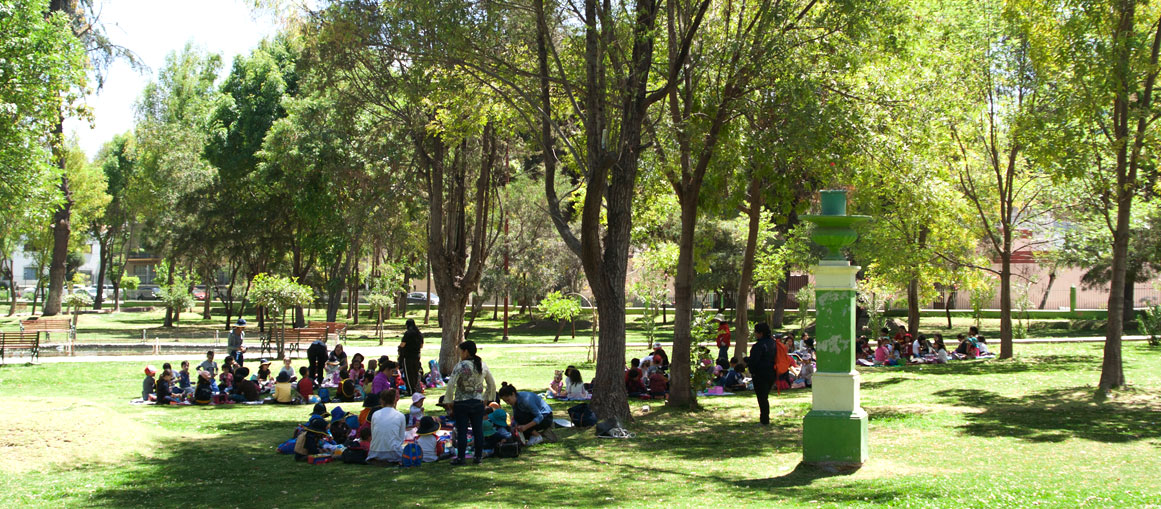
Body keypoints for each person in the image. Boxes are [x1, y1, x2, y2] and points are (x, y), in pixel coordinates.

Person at [445, 340, 496, 466]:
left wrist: (449, 400)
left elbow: (451, 384)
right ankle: (478, 456)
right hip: (478, 402)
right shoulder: (482, 365)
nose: (460, 354)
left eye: (461, 351)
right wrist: (487, 398)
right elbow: (492, 383)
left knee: (462, 431)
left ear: (466, 351)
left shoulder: (461, 366)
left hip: (462, 402)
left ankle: (461, 458)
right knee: (478, 430)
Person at [368, 389, 407, 465]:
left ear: (382, 401)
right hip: (393, 453)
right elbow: (401, 438)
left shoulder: (375, 414)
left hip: (375, 452)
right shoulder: (400, 416)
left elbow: (373, 434)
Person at [748, 323, 777, 425]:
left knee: (762, 398)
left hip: (760, 374)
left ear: (760, 333)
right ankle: (765, 418)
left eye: (756, 332)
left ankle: (764, 420)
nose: (755, 334)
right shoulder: (773, 343)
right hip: (771, 373)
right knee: (764, 397)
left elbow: (754, 361)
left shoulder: (759, 346)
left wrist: (747, 361)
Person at [398, 318, 424, 396]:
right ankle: (416, 388)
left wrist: (400, 349)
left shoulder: (408, 333)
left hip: (408, 356)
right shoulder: (419, 334)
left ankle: (410, 390)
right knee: (415, 373)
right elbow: (421, 345)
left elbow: (403, 344)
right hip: (417, 355)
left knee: (408, 374)